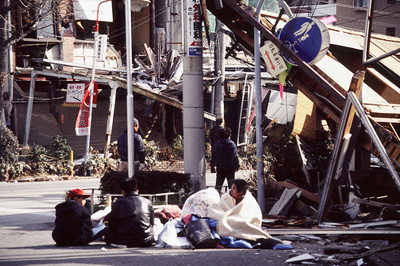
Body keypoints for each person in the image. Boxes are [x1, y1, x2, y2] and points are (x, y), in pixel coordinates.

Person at [207, 179, 286, 249]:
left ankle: (259, 238)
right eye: (231, 188)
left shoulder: (248, 201)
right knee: (218, 221)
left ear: (241, 192)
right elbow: (221, 210)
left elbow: (252, 216)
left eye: (234, 189)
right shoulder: (226, 198)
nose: (231, 190)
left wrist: (233, 219)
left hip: (243, 221)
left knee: (242, 224)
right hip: (230, 219)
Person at [104, 178, 154, 247]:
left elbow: (112, 223)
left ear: (123, 191)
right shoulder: (148, 202)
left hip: (124, 240)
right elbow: (151, 222)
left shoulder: (118, 203)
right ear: (137, 190)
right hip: (146, 240)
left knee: (106, 230)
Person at [211, 127, 240, 191]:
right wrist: (236, 166)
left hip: (220, 167)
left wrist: (214, 164)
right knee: (232, 187)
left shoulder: (217, 144)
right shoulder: (232, 144)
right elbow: (234, 157)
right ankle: (231, 199)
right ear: (229, 135)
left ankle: (217, 198)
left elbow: (214, 155)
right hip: (230, 168)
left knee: (218, 185)